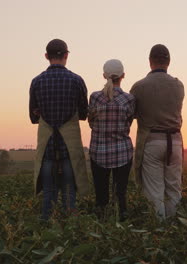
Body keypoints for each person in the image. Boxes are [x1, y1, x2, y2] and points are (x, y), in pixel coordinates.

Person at [29, 39, 90, 221]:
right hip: (69, 150)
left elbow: (33, 118)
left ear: (46, 56)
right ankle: (69, 235)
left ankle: (48, 234)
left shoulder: (36, 82)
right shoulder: (77, 81)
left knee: (49, 195)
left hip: (47, 150)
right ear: (66, 56)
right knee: (70, 196)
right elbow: (83, 114)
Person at [130, 44, 185, 220]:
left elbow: (133, 113)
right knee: (174, 188)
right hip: (175, 142)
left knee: (155, 191)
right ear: (168, 61)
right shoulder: (178, 85)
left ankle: (159, 231)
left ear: (150, 61)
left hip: (152, 141)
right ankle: (176, 227)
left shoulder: (139, 86)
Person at [88, 59, 135, 221]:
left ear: (104, 76)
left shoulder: (94, 98)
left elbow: (92, 123)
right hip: (122, 153)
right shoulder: (129, 99)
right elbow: (128, 123)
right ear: (123, 76)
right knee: (120, 194)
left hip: (98, 153)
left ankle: (101, 224)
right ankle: (121, 223)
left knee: (101, 195)